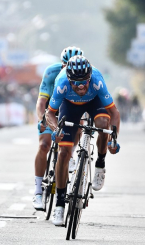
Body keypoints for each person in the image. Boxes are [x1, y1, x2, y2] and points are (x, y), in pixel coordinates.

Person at [45, 55, 120, 225]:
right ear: (69, 79)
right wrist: (57, 129)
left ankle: (100, 163)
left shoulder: (97, 81)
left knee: (103, 122)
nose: (80, 87)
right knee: (63, 152)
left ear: (90, 77)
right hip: (69, 105)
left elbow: (114, 113)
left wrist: (113, 139)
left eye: (84, 82)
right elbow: (49, 113)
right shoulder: (62, 83)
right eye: (76, 83)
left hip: (94, 102)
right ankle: (59, 205)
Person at [32, 46, 84, 210]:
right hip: (51, 110)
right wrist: (42, 119)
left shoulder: (84, 74)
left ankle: (70, 154)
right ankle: (38, 191)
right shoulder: (52, 72)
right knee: (44, 145)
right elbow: (41, 102)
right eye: (65, 65)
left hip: (69, 110)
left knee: (80, 125)